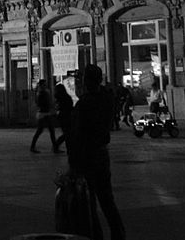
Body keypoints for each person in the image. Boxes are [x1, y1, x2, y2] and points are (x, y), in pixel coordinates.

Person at [69, 64, 125, 240]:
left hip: (88, 155)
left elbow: (78, 133)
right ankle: (118, 234)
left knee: (89, 201)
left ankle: (96, 235)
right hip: (102, 153)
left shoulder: (85, 103)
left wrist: (74, 163)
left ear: (87, 81)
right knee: (107, 199)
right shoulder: (107, 99)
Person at [30, 79, 57, 153]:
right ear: (41, 85)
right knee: (41, 130)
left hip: (45, 113)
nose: (45, 85)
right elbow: (41, 103)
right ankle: (32, 147)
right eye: (44, 84)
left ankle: (55, 147)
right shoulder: (41, 93)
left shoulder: (43, 92)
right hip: (43, 114)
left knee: (50, 130)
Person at [53, 83, 74, 153]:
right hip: (67, 117)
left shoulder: (58, 98)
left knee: (67, 133)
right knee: (68, 133)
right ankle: (59, 145)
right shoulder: (66, 97)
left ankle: (57, 145)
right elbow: (70, 106)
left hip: (61, 117)